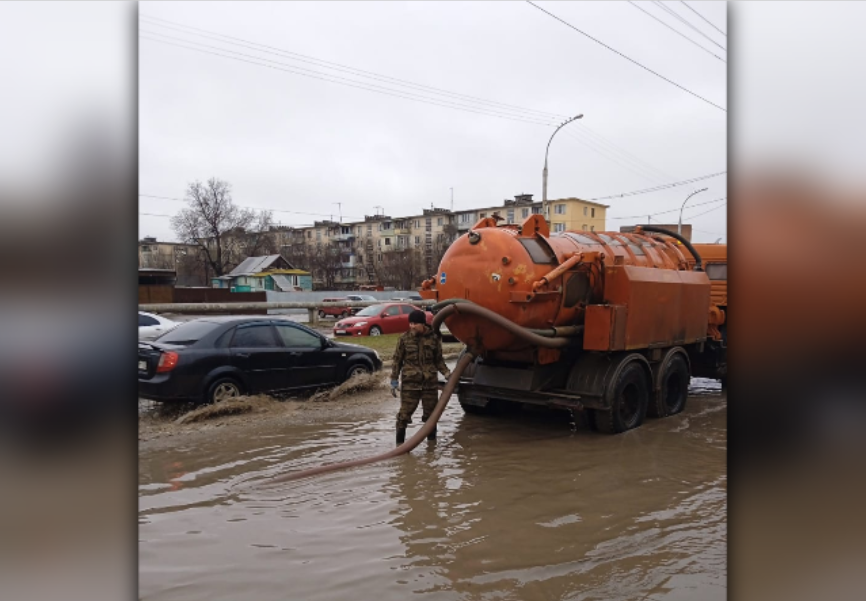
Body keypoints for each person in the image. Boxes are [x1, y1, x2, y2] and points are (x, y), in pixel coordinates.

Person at [390, 309, 451, 445]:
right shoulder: (404, 339)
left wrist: (447, 374)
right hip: (410, 384)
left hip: (429, 385)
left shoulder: (434, 339)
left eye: (415, 323)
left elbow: (439, 360)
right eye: (410, 323)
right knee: (403, 417)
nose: (411, 326)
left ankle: (431, 446)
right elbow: (397, 361)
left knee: (431, 417)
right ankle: (399, 446)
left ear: (423, 324)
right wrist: (394, 380)